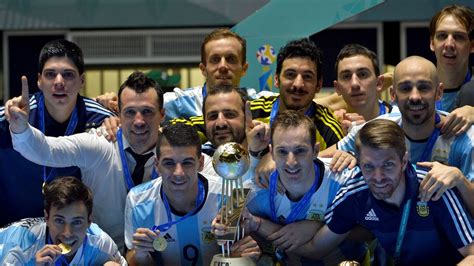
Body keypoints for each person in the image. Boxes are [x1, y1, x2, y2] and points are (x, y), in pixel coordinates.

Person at [8, 71, 164, 250]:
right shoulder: (100, 143)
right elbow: (48, 150)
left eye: (147, 112)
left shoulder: (175, 154)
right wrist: (21, 128)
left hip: (161, 253)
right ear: (118, 114)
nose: (139, 121)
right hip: (102, 255)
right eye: (130, 112)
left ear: (163, 114)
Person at [299, 119, 474, 265]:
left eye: (388, 165)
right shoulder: (354, 194)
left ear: (404, 161)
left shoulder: (433, 186)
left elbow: (472, 253)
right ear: (359, 163)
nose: (378, 177)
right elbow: (316, 249)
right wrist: (273, 233)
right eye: (368, 166)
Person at [324, 56, 474, 214]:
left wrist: (459, 179)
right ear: (393, 95)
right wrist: (347, 155)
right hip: (388, 234)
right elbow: (311, 159)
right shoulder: (374, 130)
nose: (415, 96)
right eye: (405, 88)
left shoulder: (465, 138)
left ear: (439, 92)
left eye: (424, 87)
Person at [0, 39, 115, 226]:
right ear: (39, 80)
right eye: (50, 74)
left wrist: (118, 117)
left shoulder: (103, 119)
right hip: (14, 236)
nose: (59, 82)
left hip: (74, 236)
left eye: (68, 75)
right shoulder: (12, 116)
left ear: (82, 81)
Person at [229, 111, 367, 265]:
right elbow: (228, 218)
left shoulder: (345, 179)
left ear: (315, 151)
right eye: (282, 151)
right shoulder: (262, 185)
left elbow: (371, 232)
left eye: (300, 151)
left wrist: (321, 227)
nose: (291, 162)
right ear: (272, 153)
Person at [124, 123, 260, 265]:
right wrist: (141, 255)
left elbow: (249, 249)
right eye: (169, 163)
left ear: (200, 163)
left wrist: (243, 255)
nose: (178, 173)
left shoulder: (230, 196)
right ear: (157, 165)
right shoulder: (137, 201)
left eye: (187, 162)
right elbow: (132, 259)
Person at [0, 176, 126, 265]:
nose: (67, 233)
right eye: (59, 221)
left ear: (89, 221)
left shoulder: (101, 245)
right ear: (47, 218)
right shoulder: (21, 250)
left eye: (77, 222)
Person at [250, 38, 343, 151]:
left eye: (307, 76)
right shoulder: (252, 113)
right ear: (276, 80)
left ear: (319, 84)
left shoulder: (329, 131)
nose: (298, 84)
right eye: (290, 74)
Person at [332, 44, 394, 133]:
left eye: (362, 74)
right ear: (337, 88)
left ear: (379, 83)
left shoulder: (401, 121)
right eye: (346, 76)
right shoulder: (330, 129)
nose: (354, 84)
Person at [429, 4, 473, 114]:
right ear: (432, 43)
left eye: (459, 37)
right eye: (442, 36)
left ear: (472, 46)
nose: (449, 44)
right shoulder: (415, 90)